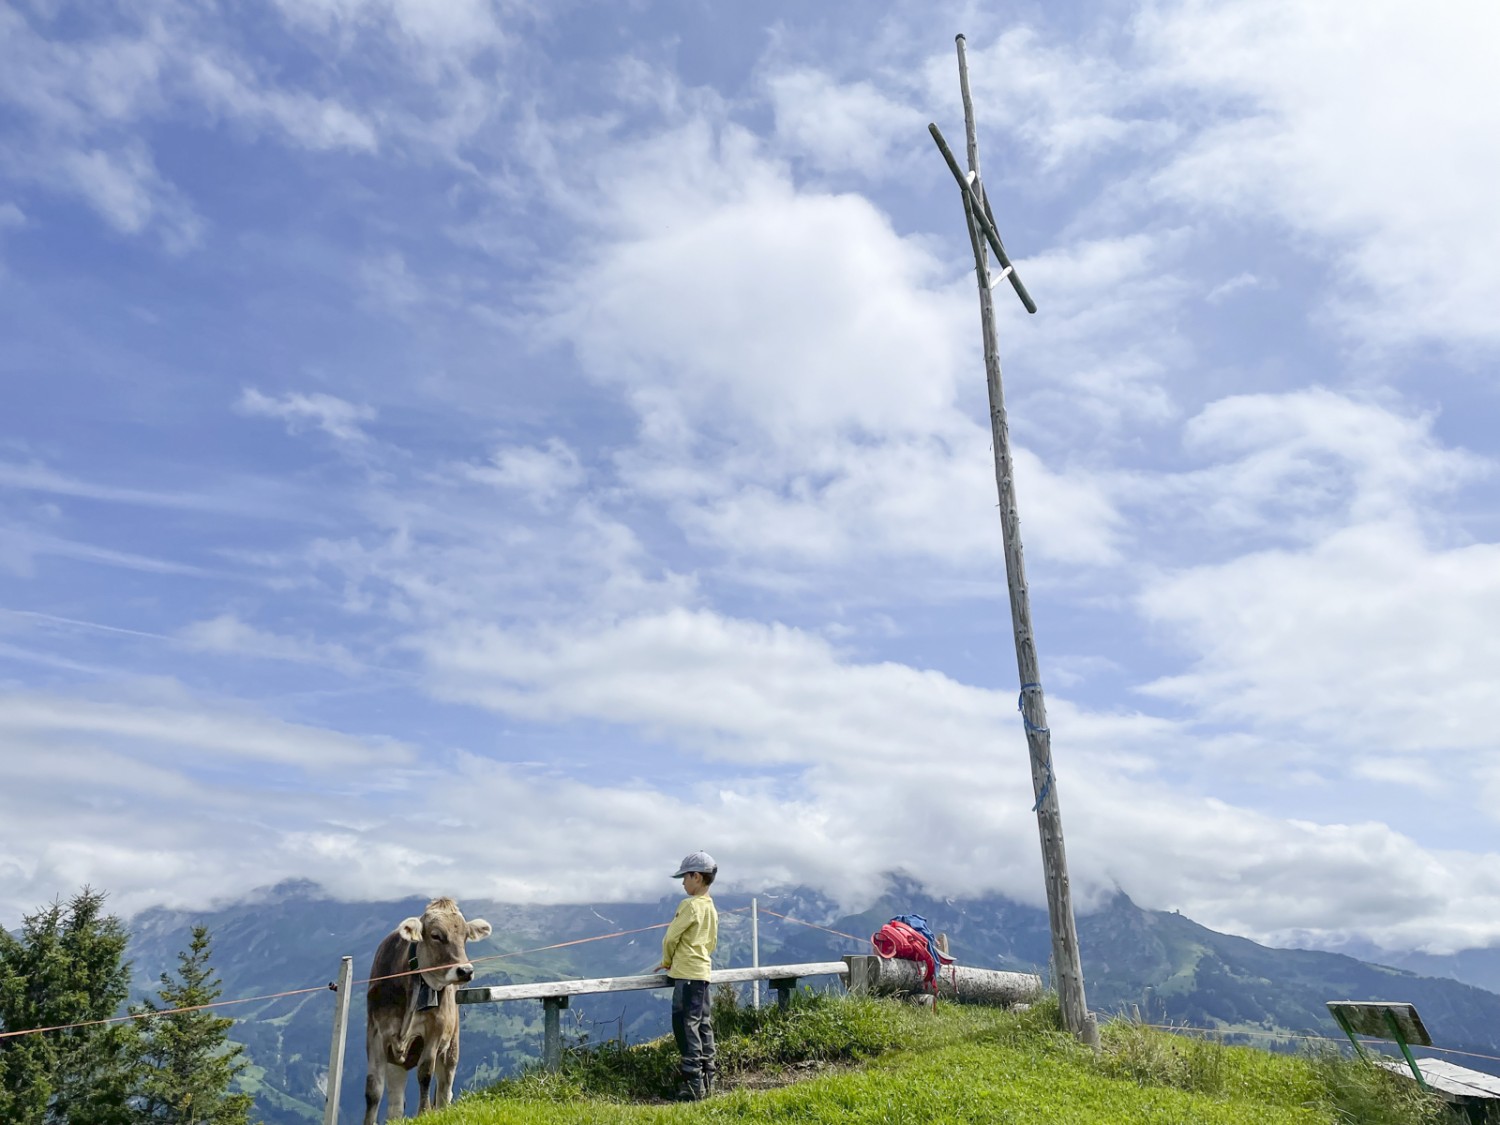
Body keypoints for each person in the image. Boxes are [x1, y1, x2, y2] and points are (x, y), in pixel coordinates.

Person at [655, 850, 719, 1100]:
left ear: (697, 877)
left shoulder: (689, 905)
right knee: (703, 1025)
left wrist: (668, 961)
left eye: (685, 877)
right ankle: (708, 1079)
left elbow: (671, 937)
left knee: (685, 1026)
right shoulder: (711, 908)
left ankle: (692, 1085)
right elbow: (711, 942)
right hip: (703, 973)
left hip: (687, 974)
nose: (683, 882)